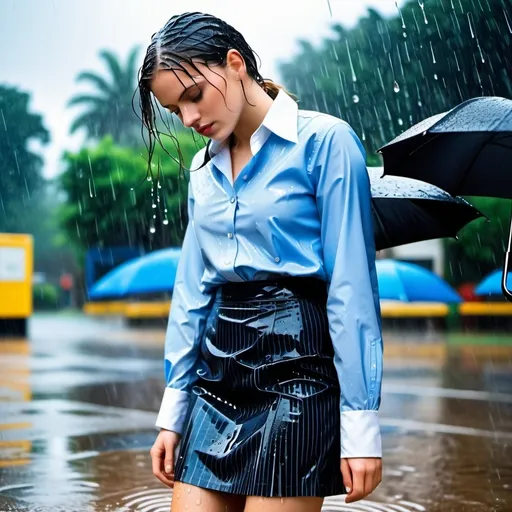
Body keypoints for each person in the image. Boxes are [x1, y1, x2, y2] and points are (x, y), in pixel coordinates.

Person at [138, 12, 383, 512]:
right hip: (218, 373)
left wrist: (360, 422)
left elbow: (351, 288)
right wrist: (174, 407)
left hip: (299, 371)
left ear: (234, 64)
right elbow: (193, 291)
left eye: (193, 96)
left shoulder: (326, 143)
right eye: (174, 109)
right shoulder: (201, 170)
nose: (188, 119)